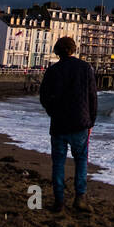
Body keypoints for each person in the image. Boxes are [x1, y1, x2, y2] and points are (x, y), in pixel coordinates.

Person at [39, 37, 98, 212]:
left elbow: (43, 96)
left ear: (58, 51)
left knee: (58, 162)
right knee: (81, 160)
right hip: (80, 122)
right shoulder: (85, 68)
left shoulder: (53, 70)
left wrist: (52, 112)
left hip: (59, 123)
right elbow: (93, 97)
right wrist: (91, 121)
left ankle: (59, 201)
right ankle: (80, 197)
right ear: (73, 50)